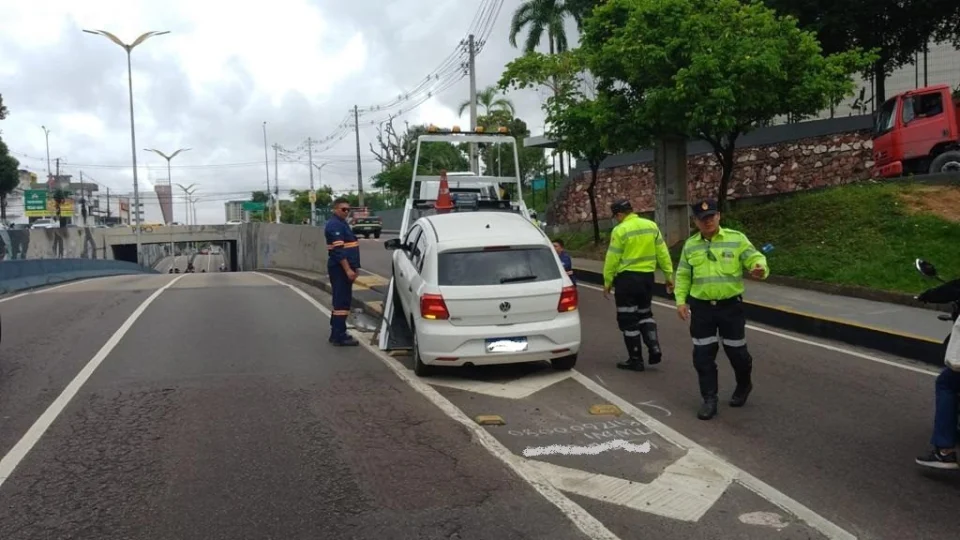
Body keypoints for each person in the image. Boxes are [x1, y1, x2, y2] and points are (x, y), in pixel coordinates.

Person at [674, 198, 769, 420]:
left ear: (719, 216)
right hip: (702, 309)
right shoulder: (690, 245)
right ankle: (710, 399)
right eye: (702, 218)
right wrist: (680, 301)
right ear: (695, 221)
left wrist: (760, 269)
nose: (707, 221)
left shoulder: (736, 239)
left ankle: (744, 384)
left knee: (737, 353)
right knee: (703, 356)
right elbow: (683, 275)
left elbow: (755, 257)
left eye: (711, 217)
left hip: (730, 308)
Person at [602, 199, 674, 372]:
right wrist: (668, 276)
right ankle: (654, 347)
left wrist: (607, 281)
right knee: (645, 314)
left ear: (619, 214)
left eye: (616, 216)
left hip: (627, 280)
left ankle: (636, 359)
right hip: (647, 279)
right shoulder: (651, 226)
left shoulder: (620, 230)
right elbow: (662, 252)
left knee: (628, 320)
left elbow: (612, 258)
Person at [324, 197, 361, 346]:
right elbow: (338, 251)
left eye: (348, 209)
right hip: (339, 269)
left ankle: (337, 332)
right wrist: (348, 270)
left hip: (345, 268)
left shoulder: (342, 223)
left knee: (343, 301)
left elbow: (351, 247)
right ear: (335, 209)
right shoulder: (334, 225)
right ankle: (339, 335)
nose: (346, 212)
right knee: (341, 302)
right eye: (343, 209)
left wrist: (355, 267)